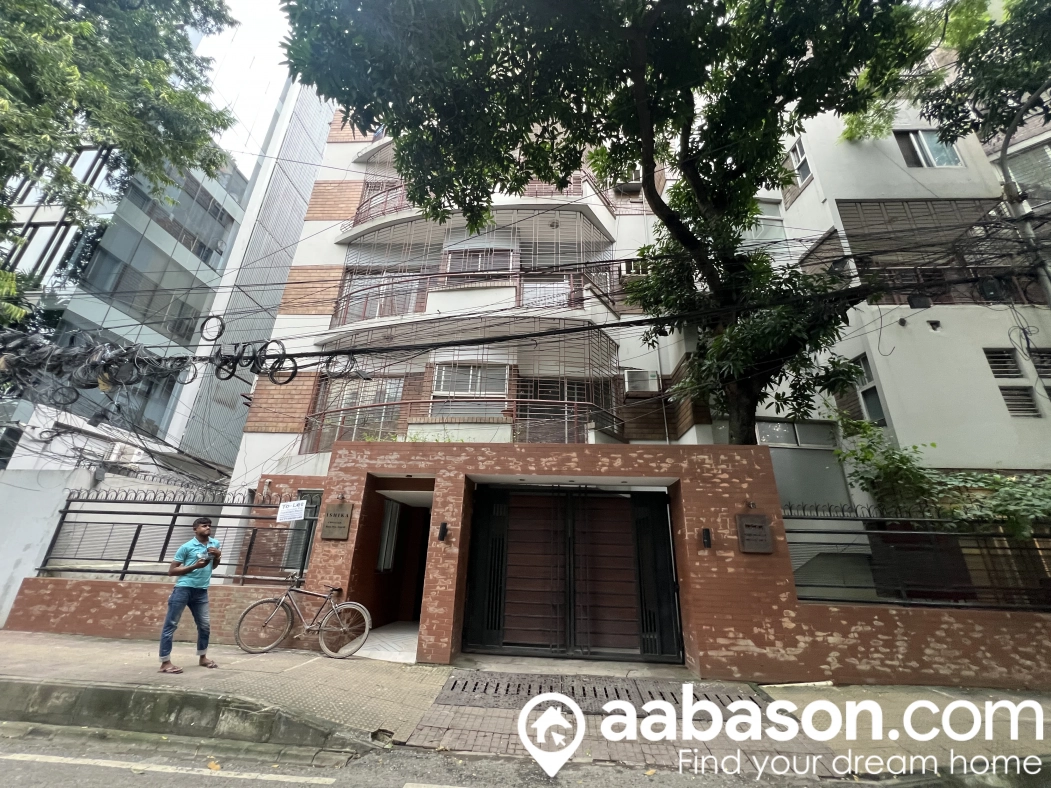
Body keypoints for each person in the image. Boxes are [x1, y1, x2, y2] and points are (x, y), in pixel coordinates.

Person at [158, 517, 222, 673]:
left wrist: (218, 556)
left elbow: (213, 567)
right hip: (183, 589)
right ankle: (165, 663)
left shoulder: (215, 544)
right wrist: (194, 566)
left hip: (201, 591)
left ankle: (203, 657)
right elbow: (172, 571)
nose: (208, 528)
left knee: (204, 625)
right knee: (171, 625)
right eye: (204, 526)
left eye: (209, 526)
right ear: (195, 529)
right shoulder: (186, 547)